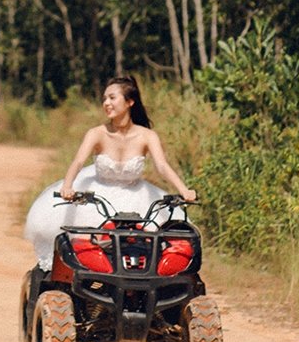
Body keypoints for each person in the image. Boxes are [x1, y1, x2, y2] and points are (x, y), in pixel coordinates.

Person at [22, 75, 197, 270]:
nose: (106, 103)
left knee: (158, 246)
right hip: (97, 196)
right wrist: (67, 186)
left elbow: (162, 166)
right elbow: (78, 161)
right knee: (82, 248)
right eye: (104, 99)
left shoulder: (147, 136)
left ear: (130, 102)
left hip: (136, 199)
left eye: (112, 98)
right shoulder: (97, 133)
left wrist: (184, 190)